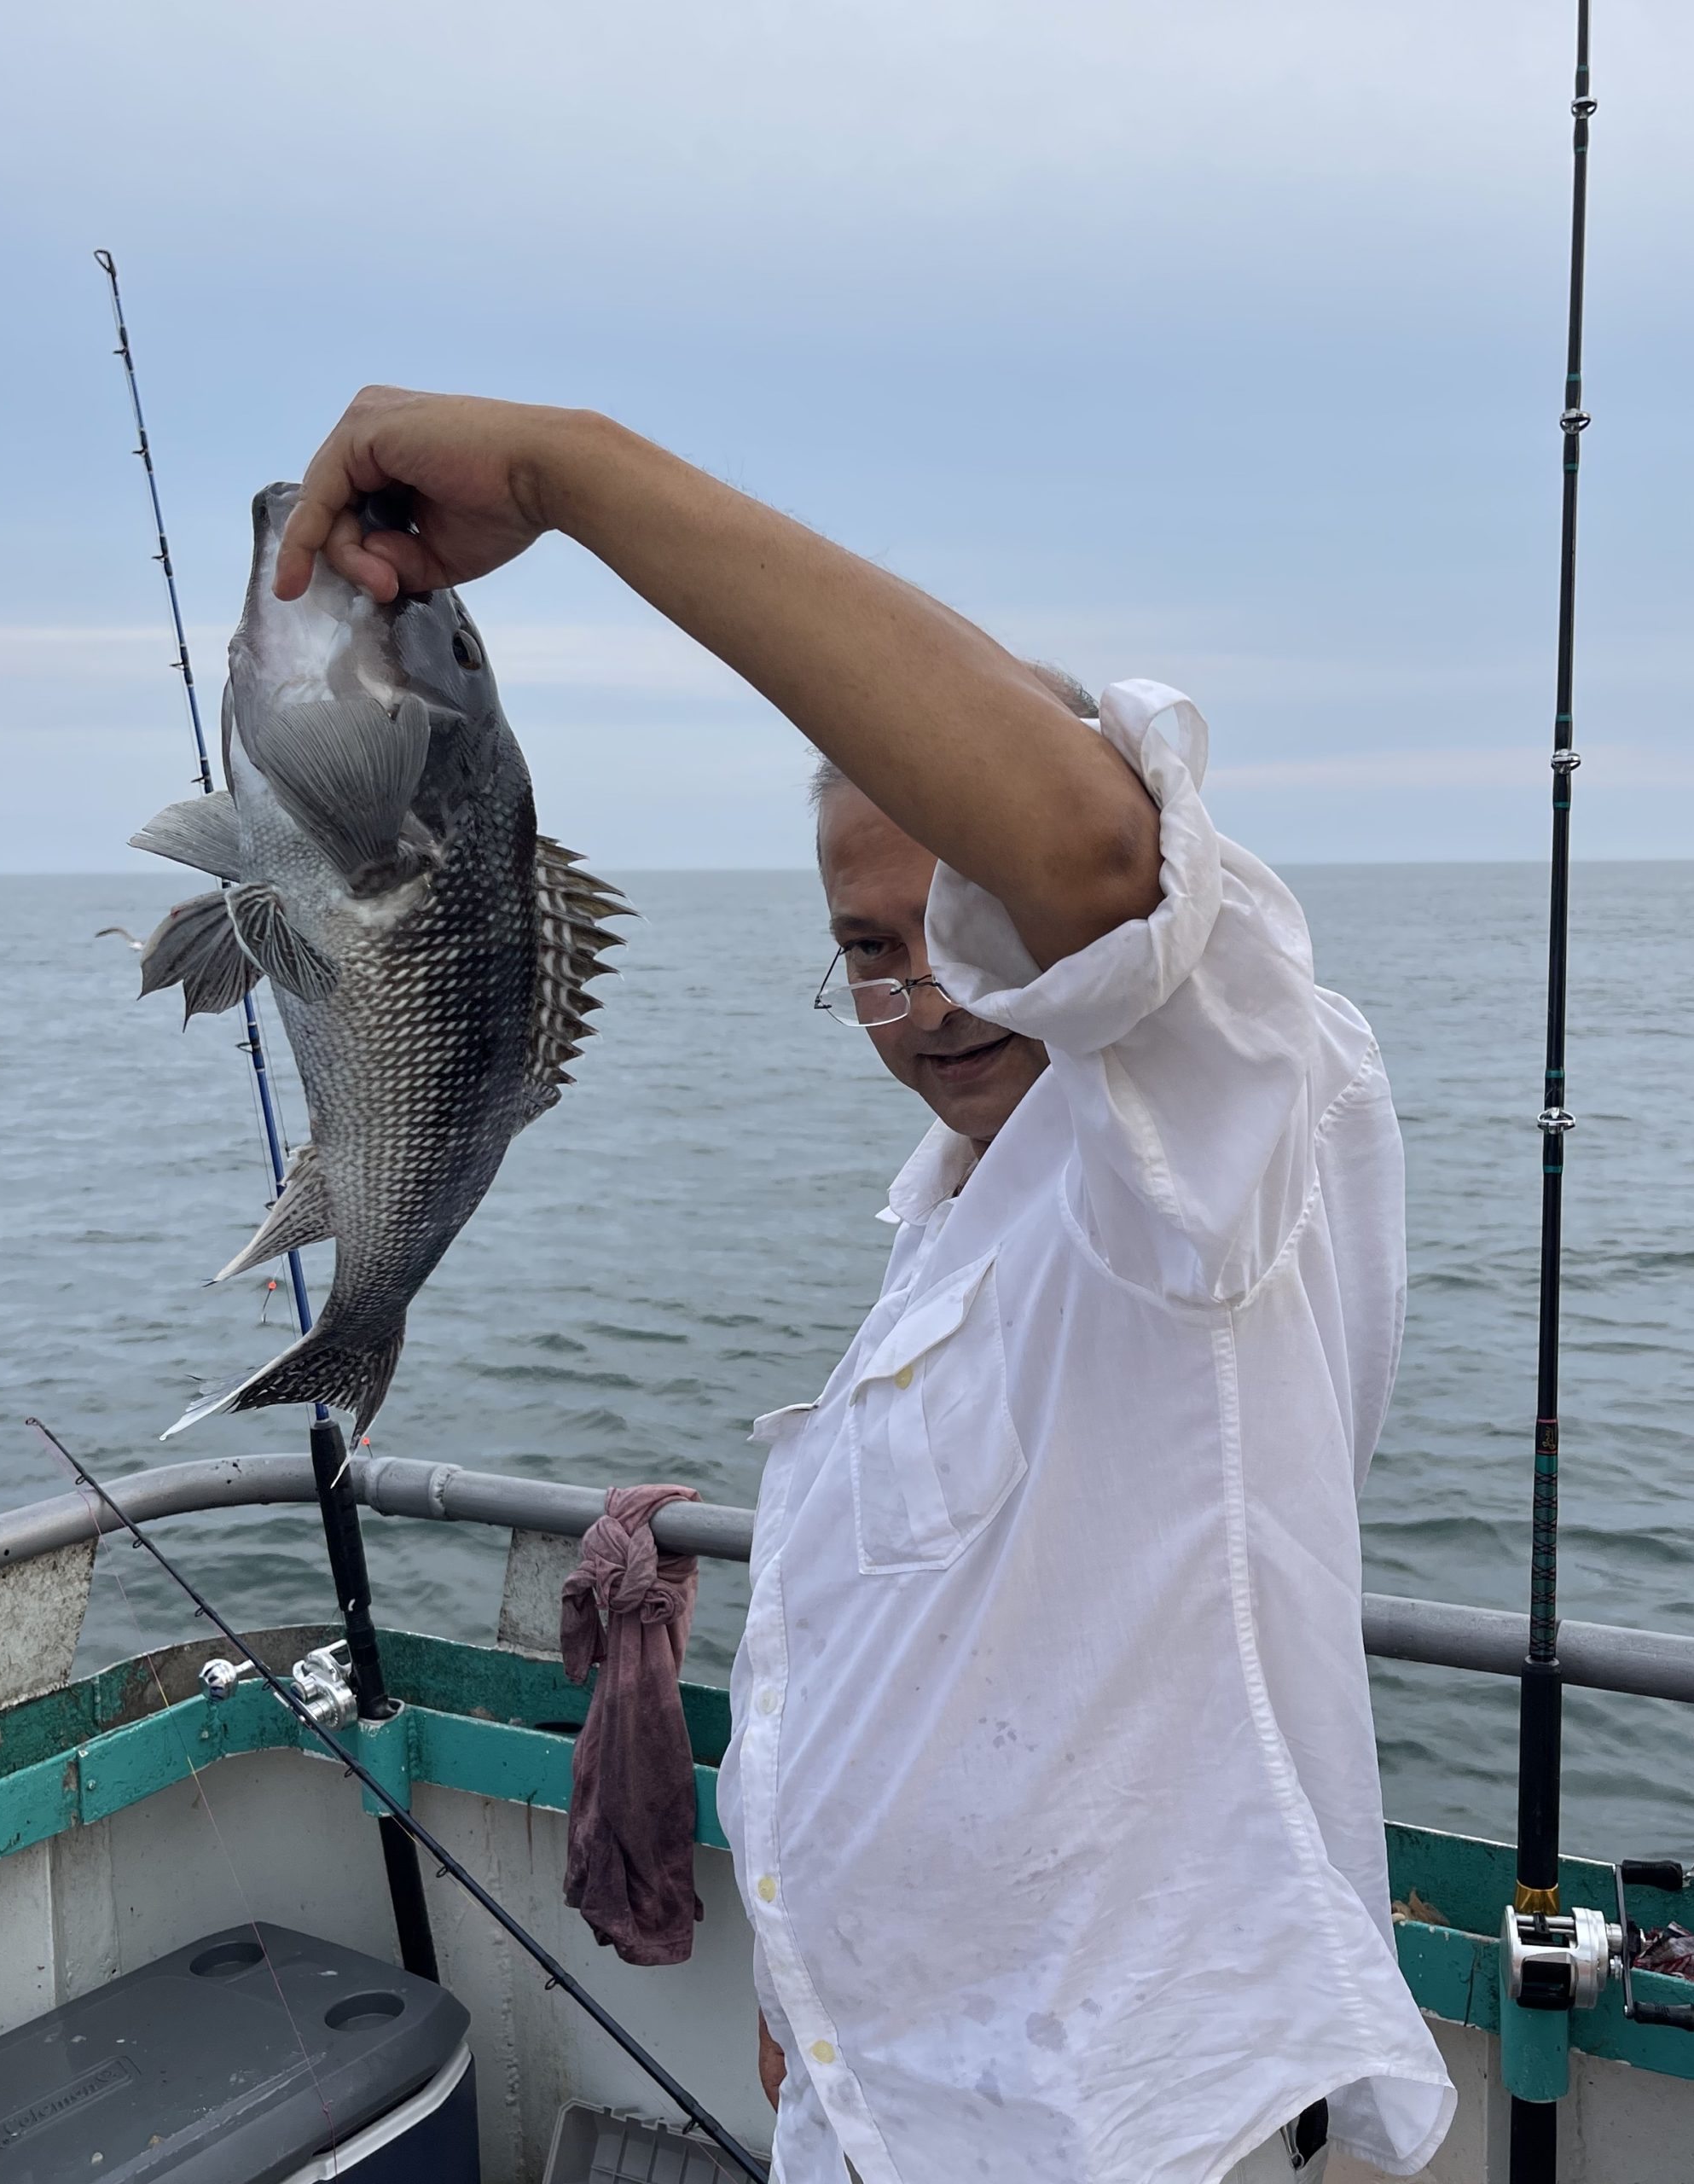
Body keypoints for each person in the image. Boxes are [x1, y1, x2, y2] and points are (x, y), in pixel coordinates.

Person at [279, 389, 1455, 2184]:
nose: (936, 997)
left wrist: (562, 475)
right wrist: (814, 1977)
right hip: (890, 2103)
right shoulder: (959, 1216)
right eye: (868, 951)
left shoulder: (1226, 1126)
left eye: (966, 921)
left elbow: (1086, 861)